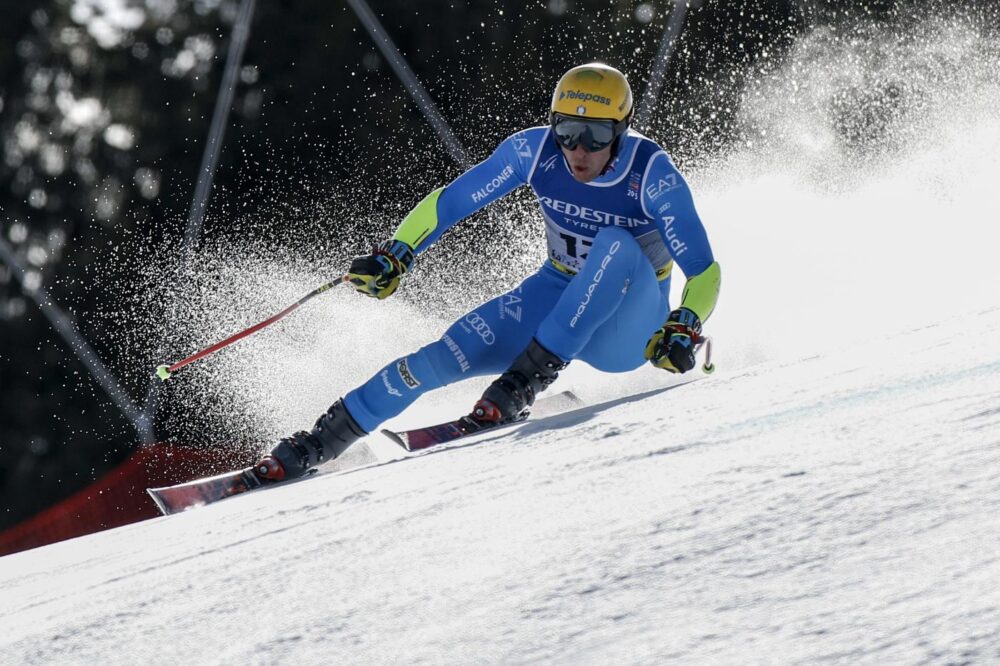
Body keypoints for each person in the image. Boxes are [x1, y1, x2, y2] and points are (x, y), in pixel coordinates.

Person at [255, 63, 721, 481]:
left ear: (621, 131)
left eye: (596, 136)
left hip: (627, 325)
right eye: (567, 132)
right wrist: (398, 252)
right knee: (438, 357)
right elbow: (453, 200)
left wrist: (685, 324)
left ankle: (521, 384)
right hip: (556, 292)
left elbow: (703, 271)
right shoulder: (532, 152)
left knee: (615, 244)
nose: (578, 150)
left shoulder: (652, 174)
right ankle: (323, 440)